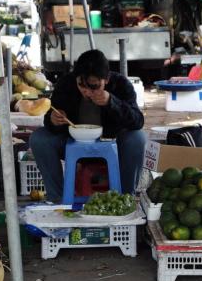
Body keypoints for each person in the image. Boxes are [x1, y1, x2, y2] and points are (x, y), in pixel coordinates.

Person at [30, 49, 146, 203]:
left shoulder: (121, 84)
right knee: (39, 139)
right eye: (82, 86)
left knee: (137, 138)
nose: (87, 92)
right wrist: (53, 120)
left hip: (114, 145)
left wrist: (112, 102)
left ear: (107, 79)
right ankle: (57, 199)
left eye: (94, 86)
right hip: (72, 143)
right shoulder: (66, 84)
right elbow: (50, 120)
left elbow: (137, 121)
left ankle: (125, 197)